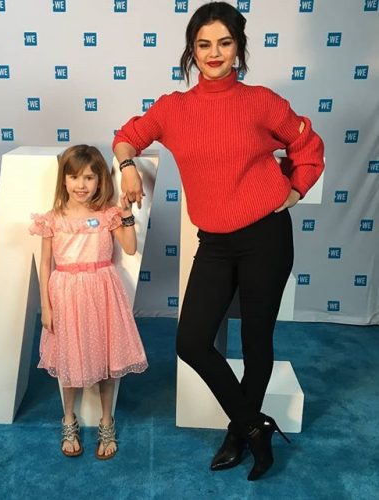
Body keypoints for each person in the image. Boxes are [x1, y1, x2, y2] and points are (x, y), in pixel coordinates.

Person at [113, 1, 324, 480]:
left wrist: (294, 189)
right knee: (191, 341)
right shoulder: (174, 108)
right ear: (192, 50)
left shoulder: (261, 102)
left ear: (238, 48)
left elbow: (307, 145)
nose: (214, 53)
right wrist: (127, 167)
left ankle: (238, 432)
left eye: (224, 43)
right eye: (204, 44)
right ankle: (254, 427)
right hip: (215, 242)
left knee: (255, 340)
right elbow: (126, 136)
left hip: (265, 236)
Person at [30, 144, 148, 460]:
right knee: (69, 359)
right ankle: (68, 419)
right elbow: (45, 265)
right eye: (74, 177)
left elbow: (130, 247)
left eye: (89, 177)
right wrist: (46, 305)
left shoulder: (107, 214)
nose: (81, 185)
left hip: (102, 292)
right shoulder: (52, 219)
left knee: (108, 360)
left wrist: (125, 213)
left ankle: (106, 421)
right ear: (63, 180)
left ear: (100, 181)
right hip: (66, 295)